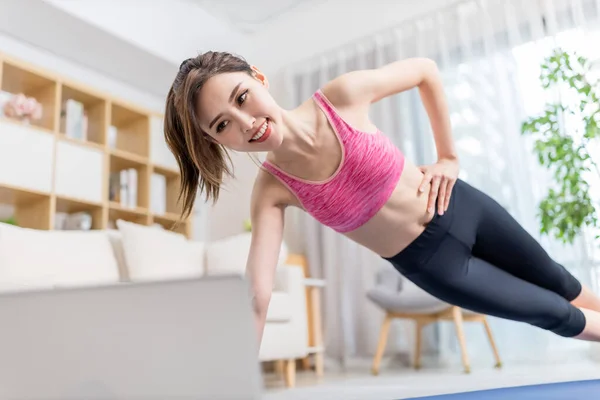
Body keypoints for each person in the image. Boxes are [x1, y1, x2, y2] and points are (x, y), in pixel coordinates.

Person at [164, 51, 600, 347]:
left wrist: (448, 157)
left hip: (464, 207)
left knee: (563, 284)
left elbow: (426, 70)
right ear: (215, 141)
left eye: (243, 98)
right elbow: (257, 292)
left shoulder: (340, 98)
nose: (245, 123)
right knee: (556, 314)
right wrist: (234, 377)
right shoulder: (273, 190)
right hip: (439, 266)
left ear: (258, 78)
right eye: (222, 126)